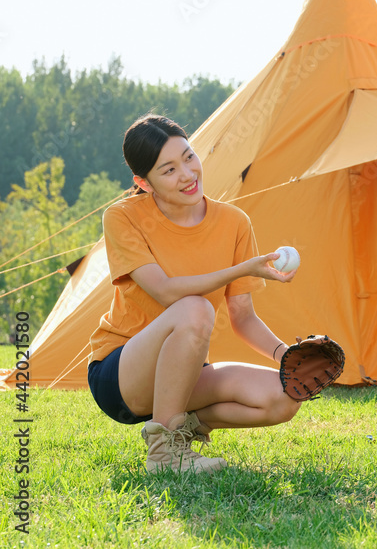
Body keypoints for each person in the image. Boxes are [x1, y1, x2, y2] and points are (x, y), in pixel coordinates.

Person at [87, 114, 302, 473]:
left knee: (283, 398)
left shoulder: (234, 222)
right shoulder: (122, 217)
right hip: (122, 374)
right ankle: (164, 455)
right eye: (168, 170)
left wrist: (287, 358)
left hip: (183, 373)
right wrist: (243, 268)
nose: (187, 174)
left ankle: (183, 431)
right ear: (144, 182)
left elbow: (243, 318)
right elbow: (165, 292)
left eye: (188, 157)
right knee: (195, 308)